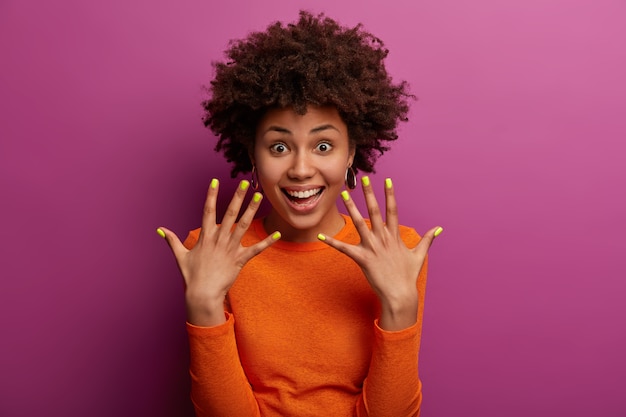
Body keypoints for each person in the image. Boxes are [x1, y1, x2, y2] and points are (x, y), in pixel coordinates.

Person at [157, 10, 443, 417]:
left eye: (323, 146)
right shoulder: (212, 252)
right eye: (278, 147)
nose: (301, 169)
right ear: (252, 156)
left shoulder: (399, 251)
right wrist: (203, 304)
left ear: (351, 154)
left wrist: (400, 307)